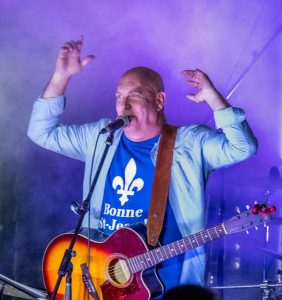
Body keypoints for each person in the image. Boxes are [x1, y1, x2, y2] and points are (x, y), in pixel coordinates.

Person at [27, 36, 257, 299]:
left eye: (134, 95)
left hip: (170, 287)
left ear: (159, 101)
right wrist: (61, 77)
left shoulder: (190, 143)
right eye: (119, 97)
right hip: (103, 282)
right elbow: (40, 132)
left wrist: (215, 100)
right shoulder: (101, 138)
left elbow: (243, 147)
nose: (123, 105)